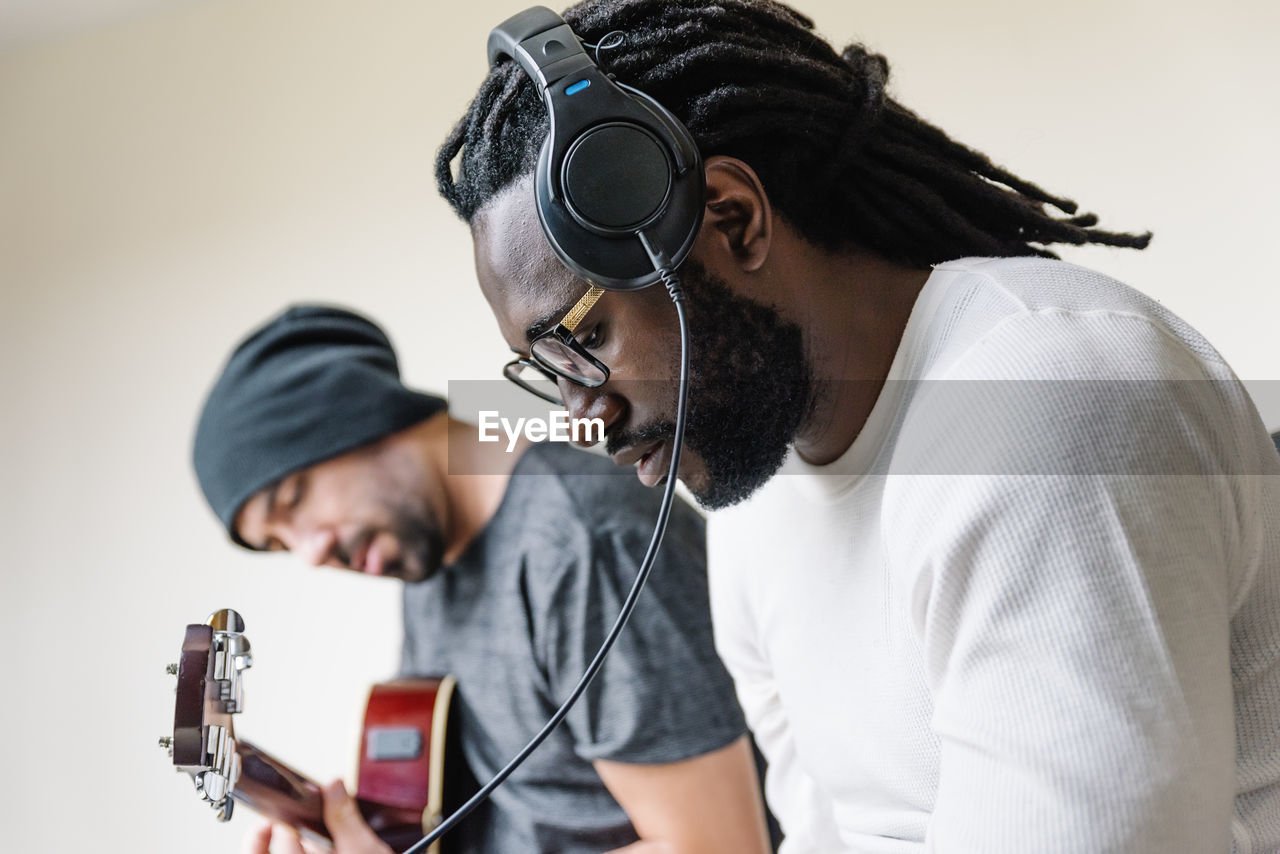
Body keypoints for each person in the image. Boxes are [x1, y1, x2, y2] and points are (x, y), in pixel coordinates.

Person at [436, 1, 1280, 852]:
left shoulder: (1046, 403)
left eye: (583, 339)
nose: (587, 415)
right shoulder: (755, 507)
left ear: (731, 218)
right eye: (546, 370)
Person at [192, 305, 775, 854]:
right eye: (278, 544)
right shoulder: (424, 559)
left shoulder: (582, 540)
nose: (311, 553)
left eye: (293, 500)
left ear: (358, 414)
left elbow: (718, 844)